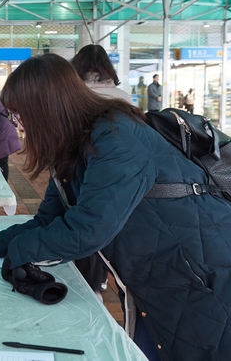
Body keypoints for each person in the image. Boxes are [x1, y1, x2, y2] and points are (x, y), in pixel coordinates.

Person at [0, 54, 231, 361]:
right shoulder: (73, 147)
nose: (19, 123)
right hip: (174, 279)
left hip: (219, 277)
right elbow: (51, 220)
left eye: (22, 114)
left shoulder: (115, 137)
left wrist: (16, 253)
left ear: (48, 108)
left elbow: (86, 231)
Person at [70, 44, 132, 297]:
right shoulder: (123, 96)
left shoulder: (75, 97)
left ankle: (88, 284)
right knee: (110, 227)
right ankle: (104, 279)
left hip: (82, 171)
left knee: (83, 226)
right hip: (124, 177)